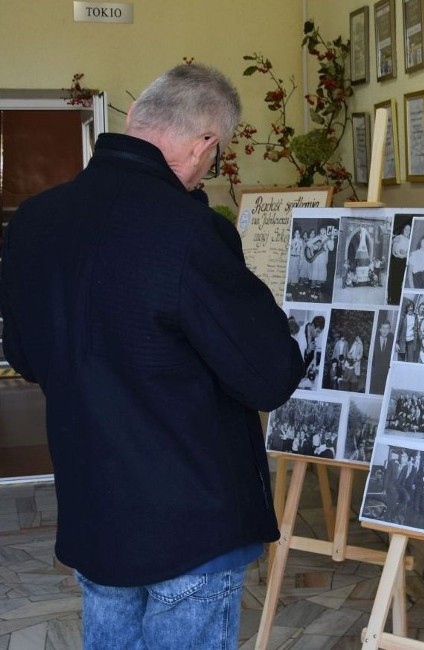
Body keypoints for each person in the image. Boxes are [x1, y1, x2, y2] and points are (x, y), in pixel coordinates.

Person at [0, 64, 306, 650]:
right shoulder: (190, 232)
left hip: (94, 505)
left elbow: (26, 355)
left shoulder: (35, 222)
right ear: (204, 145)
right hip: (191, 516)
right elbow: (268, 377)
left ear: (138, 121)